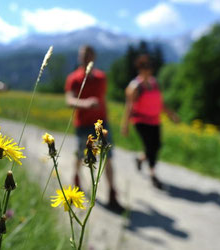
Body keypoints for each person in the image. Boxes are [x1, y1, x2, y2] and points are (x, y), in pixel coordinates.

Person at [65, 45, 123, 211]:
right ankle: (76, 180)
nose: (85, 58)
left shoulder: (101, 78)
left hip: (101, 124)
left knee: (108, 157)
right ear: (79, 57)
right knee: (80, 155)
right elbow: (69, 100)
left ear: (94, 57)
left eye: (88, 55)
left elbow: (102, 98)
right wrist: (86, 103)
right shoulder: (73, 78)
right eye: (82, 55)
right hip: (82, 124)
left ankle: (112, 194)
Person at [121, 54, 179, 189]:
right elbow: (129, 105)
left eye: (150, 67)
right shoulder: (135, 86)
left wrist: (172, 115)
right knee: (150, 147)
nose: (148, 70)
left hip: (155, 120)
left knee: (157, 145)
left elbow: (161, 103)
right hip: (141, 121)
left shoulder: (155, 83)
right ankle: (153, 175)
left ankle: (140, 159)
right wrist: (125, 125)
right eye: (145, 67)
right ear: (139, 69)